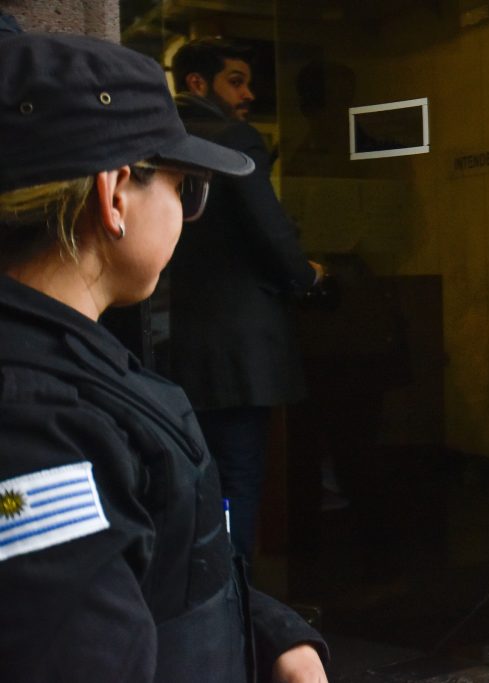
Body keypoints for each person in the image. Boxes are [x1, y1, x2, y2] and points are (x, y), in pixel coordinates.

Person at [0, 32, 328, 682]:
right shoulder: (37, 422)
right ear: (115, 194)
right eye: (185, 189)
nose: (186, 213)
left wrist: (272, 633)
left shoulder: (66, 362)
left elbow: (155, 569)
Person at [166, 37, 325, 561]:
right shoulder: (234, 138)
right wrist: (306, 276)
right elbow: (269, 228)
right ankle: (236, 596)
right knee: (238, 476)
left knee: (190, 481)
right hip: (238, 349)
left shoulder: (158, 137)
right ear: (197, 83)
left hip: (172, 343)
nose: (249, 94)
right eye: (236, 81)